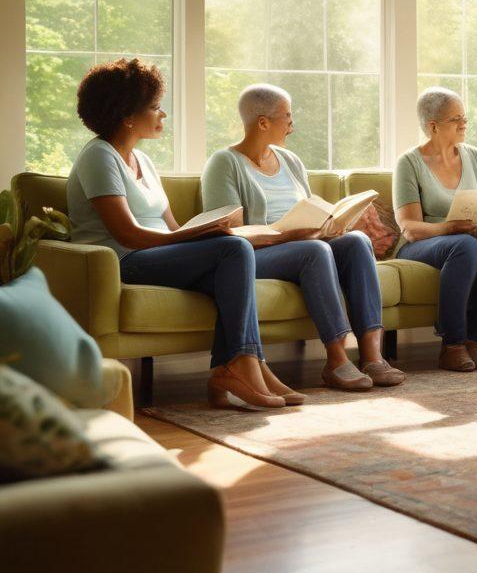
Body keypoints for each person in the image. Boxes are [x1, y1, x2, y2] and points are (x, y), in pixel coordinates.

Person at [66, 59, 286, 411]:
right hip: (125, 260)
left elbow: (172, 227)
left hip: (157, 257)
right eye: (155, 106)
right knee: (233, 249)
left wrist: (204, 231)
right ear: (127, 115)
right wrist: (195, 238)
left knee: (231, 264)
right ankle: (242, 364)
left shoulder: (144, 161)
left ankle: (245, 365)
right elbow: (127, 234)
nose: (162, 114)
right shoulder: (98, 156)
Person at [202, 84, 404, 392]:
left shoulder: (291, 161)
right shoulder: (224, 163)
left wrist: (330, 224)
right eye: (287, 117)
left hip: (302, 244)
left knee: (356, 242)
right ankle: (336, 359)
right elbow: (230, 235)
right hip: (256, 254)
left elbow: (311, 210)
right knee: (314, 250)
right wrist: (288, 235)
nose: (292, 125)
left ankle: (372, 356)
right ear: (263, 122)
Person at [391, 87, 477, 373]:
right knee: (465, 245)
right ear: (433, 126)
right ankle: (453, 344)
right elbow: (409, 227)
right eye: (455, 119)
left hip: (468, 238)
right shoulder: (409, 163)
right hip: (422, 243)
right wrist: (449, 228)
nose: (464, 124)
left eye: (464, 118)